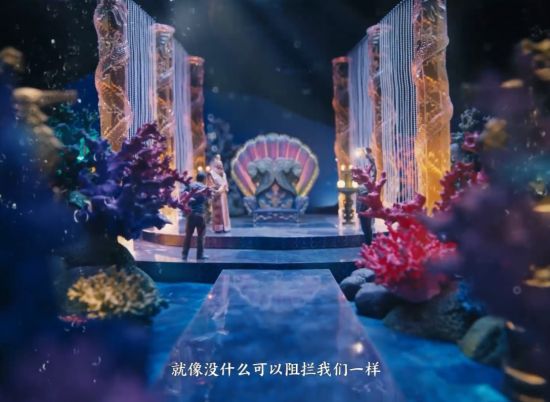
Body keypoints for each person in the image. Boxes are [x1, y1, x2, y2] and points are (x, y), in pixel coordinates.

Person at [182, 172, 209, 261]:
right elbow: (206, 200)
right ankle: (199, 255)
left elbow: (184, 195)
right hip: (200, 214)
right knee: (201, 236)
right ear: (204, 179)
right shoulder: (204, 187)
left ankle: (184, 255)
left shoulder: (190, 185)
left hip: (191, 214)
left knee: (188, 235)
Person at [356, 147, 377, 245]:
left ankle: (369, 245)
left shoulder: (369, 184)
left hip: (367, 210)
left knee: (368, 229)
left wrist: (369, 155)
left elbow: (374, 170)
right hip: (362, 211)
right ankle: (369, 244)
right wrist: (358, 211)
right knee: (365, 229)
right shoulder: (360, 186)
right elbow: (358, 200)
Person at [208, 154, 231, 233]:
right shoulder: (211, 173)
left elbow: (226, 184)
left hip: (223, 195)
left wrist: (223, 188)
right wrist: (217, 190)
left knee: (224, 212)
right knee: (218, 212)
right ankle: (218, 228)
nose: (220, 166)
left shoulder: (224, 174)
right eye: (218, 164)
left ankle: (225, 227)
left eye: (221, 164)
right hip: (216, 195)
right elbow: (210, 185)